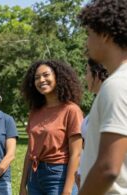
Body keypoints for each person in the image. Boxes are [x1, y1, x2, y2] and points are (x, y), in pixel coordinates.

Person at [78, 1, 127, 194]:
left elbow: (108, 169)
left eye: (89, 34)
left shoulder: (116, 85)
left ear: (105, 35)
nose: (86, 42)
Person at [19, 60, 83, 195]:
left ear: (57, 77)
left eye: (46, 75)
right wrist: (22, 185)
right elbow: (30, 151)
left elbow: (76, 154)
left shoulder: (71, 110)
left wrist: (67, 190)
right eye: (37, 78)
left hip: (59, 176)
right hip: (35, 177)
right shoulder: (34, 112)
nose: (41, 80)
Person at [75, 59, 108, 188]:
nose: (85, 77)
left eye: (87, 72)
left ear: (97, 73)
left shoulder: (108, 102)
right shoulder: (98, 102)